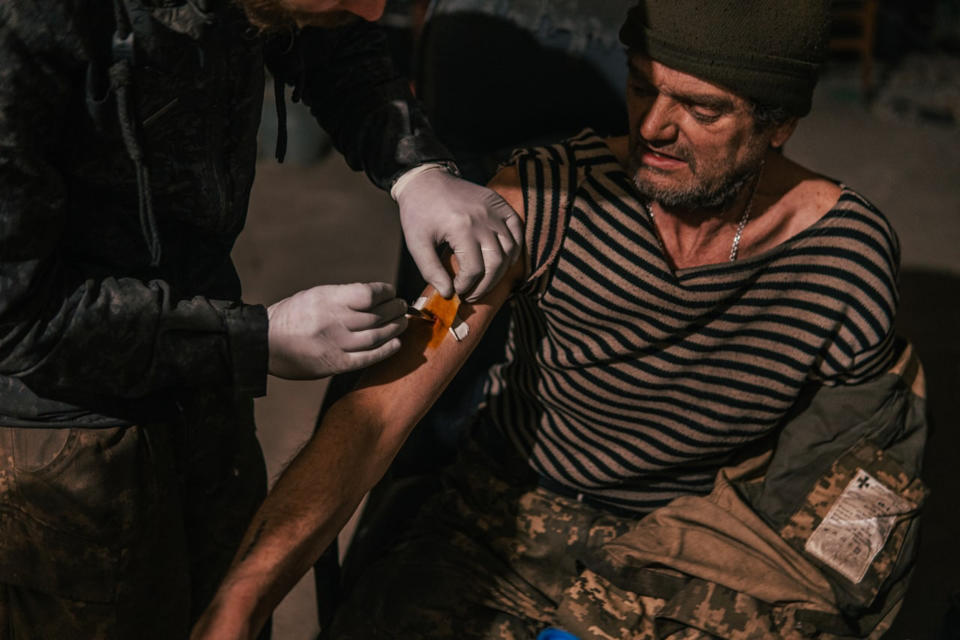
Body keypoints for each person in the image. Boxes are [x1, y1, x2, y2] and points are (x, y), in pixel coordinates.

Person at [197, 1, 928, 638]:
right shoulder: (544, 193)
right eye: (642, 86)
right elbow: (376, 418)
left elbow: (853, 491)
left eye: (702, 110)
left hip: (690, 546)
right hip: (506, 515)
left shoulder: (844, 259)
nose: (654, 127)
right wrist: (241, 598)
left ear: (779, 126)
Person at [0, 0, 524, 637]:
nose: (375, 6)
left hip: (203, 389)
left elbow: (335, 46)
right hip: (59, 428)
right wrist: (253, 337)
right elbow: (18, 318)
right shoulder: (23, 26)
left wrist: (415, 167)